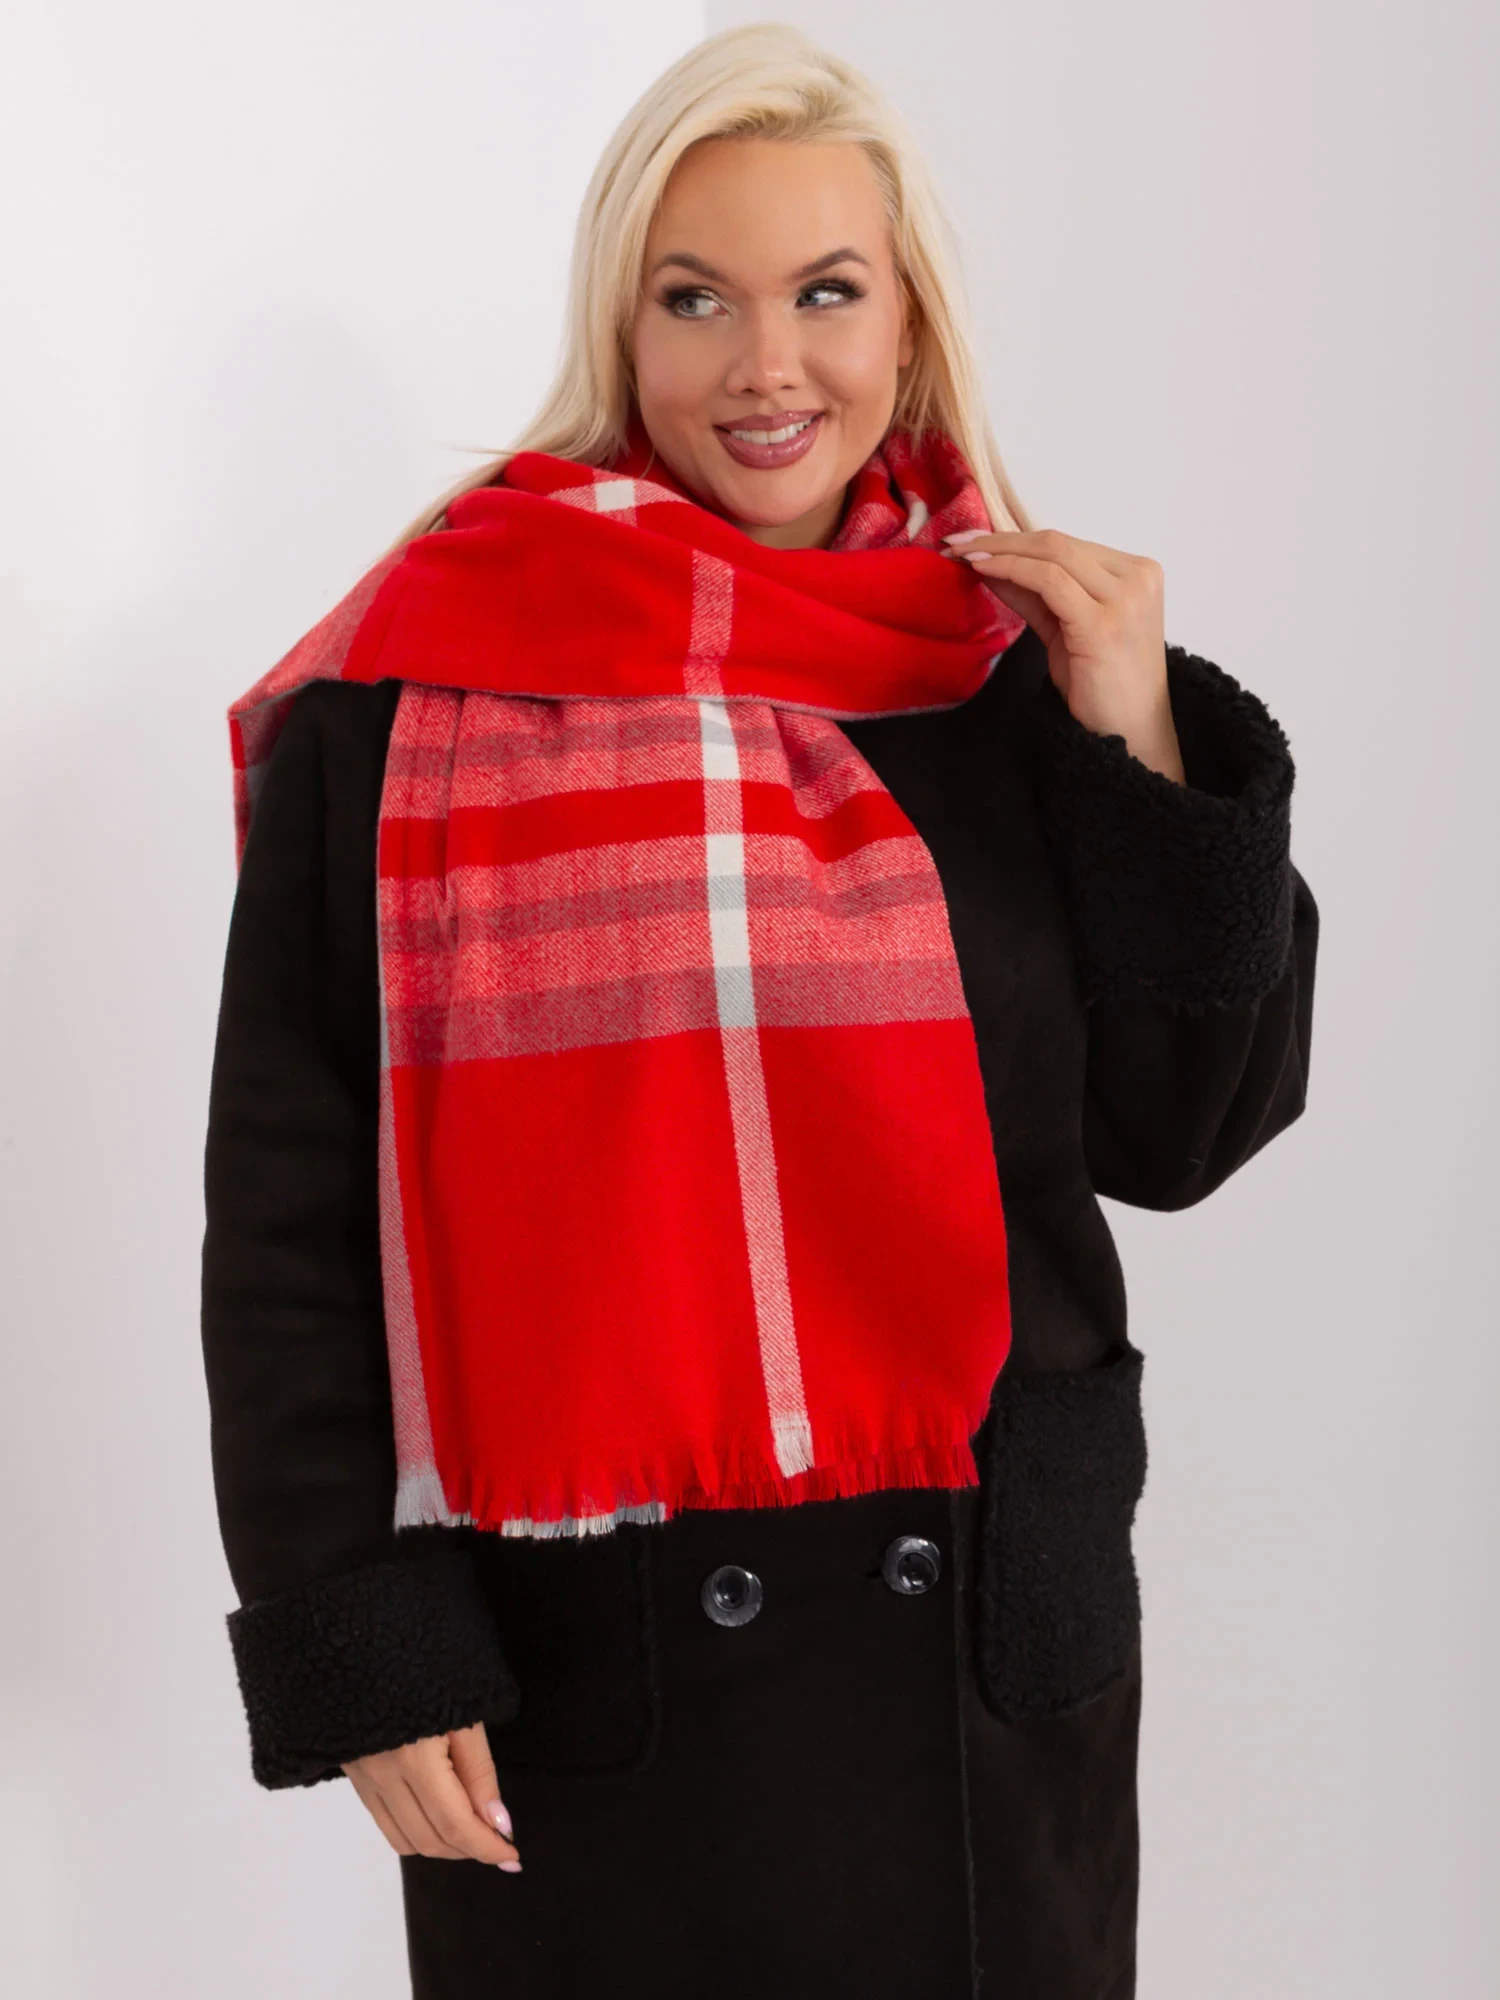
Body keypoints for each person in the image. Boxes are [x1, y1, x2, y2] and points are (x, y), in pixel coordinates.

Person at [199, 22, 1318, 2000]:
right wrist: (363, 1636)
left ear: (909, 321)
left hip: (972, 1659)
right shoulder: (414, 694)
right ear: (621, 324)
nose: (765, 364)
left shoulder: (1014, 674)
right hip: (597, 1665)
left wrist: (1139, 734)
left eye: (826, 292)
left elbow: (1181, 1135)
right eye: (695, 298)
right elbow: (290, 1221)